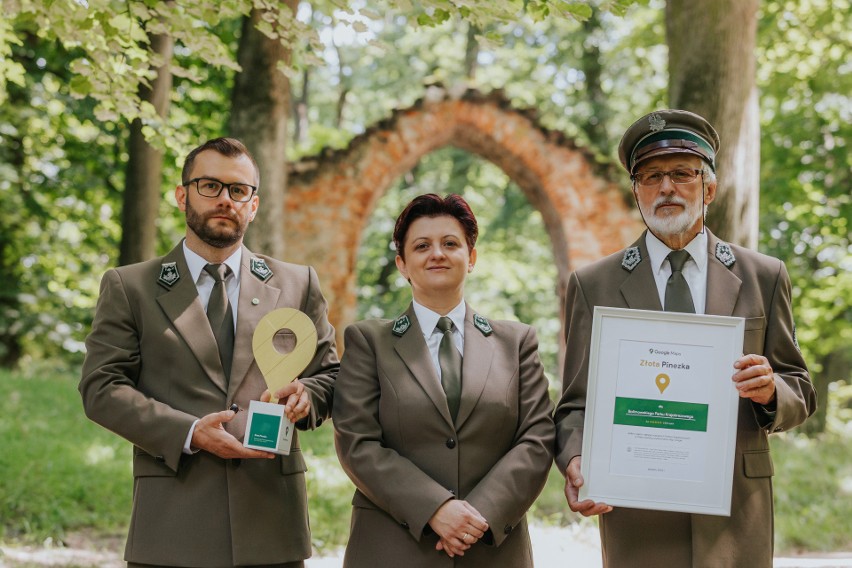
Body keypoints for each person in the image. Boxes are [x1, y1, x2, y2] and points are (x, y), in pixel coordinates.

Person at [553, 110, 817, 567]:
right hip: (636, 512)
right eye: (651, 176)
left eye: (682, 174)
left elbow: (800, 387)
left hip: (736, 508)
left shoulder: (763, 275)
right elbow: (575, 404)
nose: (667, 188)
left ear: (708, 188)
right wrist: (576, 458)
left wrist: (773, 391)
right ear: (636, 192)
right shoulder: (592, 284)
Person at [79, 137, 339, 568]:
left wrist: (308, 397)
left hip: (272, 524)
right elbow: (100, 388)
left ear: (253, 205)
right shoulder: (131, 287)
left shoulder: (299, 284)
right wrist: (188, 432)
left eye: (238, 190)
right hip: (170, 526)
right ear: (182, 195)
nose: (225, 199)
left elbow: (330, 376)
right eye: (209, 186)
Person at [332, 194, 555, 567]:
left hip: (491, 548)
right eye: (422, 246)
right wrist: (435, 508)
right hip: (393, 549)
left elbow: (537, 439)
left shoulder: (517, 342)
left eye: (450, 244)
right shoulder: (368, 341)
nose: (437, 253)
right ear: (403, 264)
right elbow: (357, 443)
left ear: (471, 258)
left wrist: (476, 516)